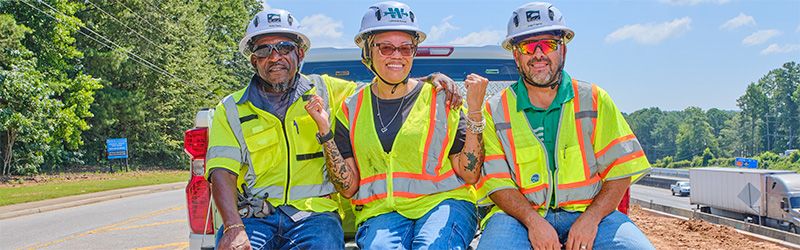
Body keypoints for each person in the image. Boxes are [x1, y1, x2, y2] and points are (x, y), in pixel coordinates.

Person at [205, 8, 462, 250]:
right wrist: (233, 227)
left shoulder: (330, 92)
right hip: (254, 218)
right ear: (253, 60)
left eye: (285, 47)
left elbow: (386, 88)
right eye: (264, 50)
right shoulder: (231, 109)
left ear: (300, 54)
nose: (275, 57)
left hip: (314, 217)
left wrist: (429, 79)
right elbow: (221, 171)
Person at [303, 1, 489, 249]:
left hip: (444, 205)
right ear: (367, 52)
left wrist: (475, 112)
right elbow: (347, 189)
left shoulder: (442, 98)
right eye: (386, 48)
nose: (397, 56)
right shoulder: (351, 108)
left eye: (406, 48)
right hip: (381, 214)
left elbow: (469, 173)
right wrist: (326, 133)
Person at [475, 2, 654, 250]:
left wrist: (590, 220)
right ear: (516, 56)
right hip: (517, 219)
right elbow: (497, 183)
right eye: (528, 46)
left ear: (563, 50)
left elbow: (620, 171)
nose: (538, 54)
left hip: (589, 213)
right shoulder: (494, 110)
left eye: (548, 44)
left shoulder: (594, 99)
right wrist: (533, 222)